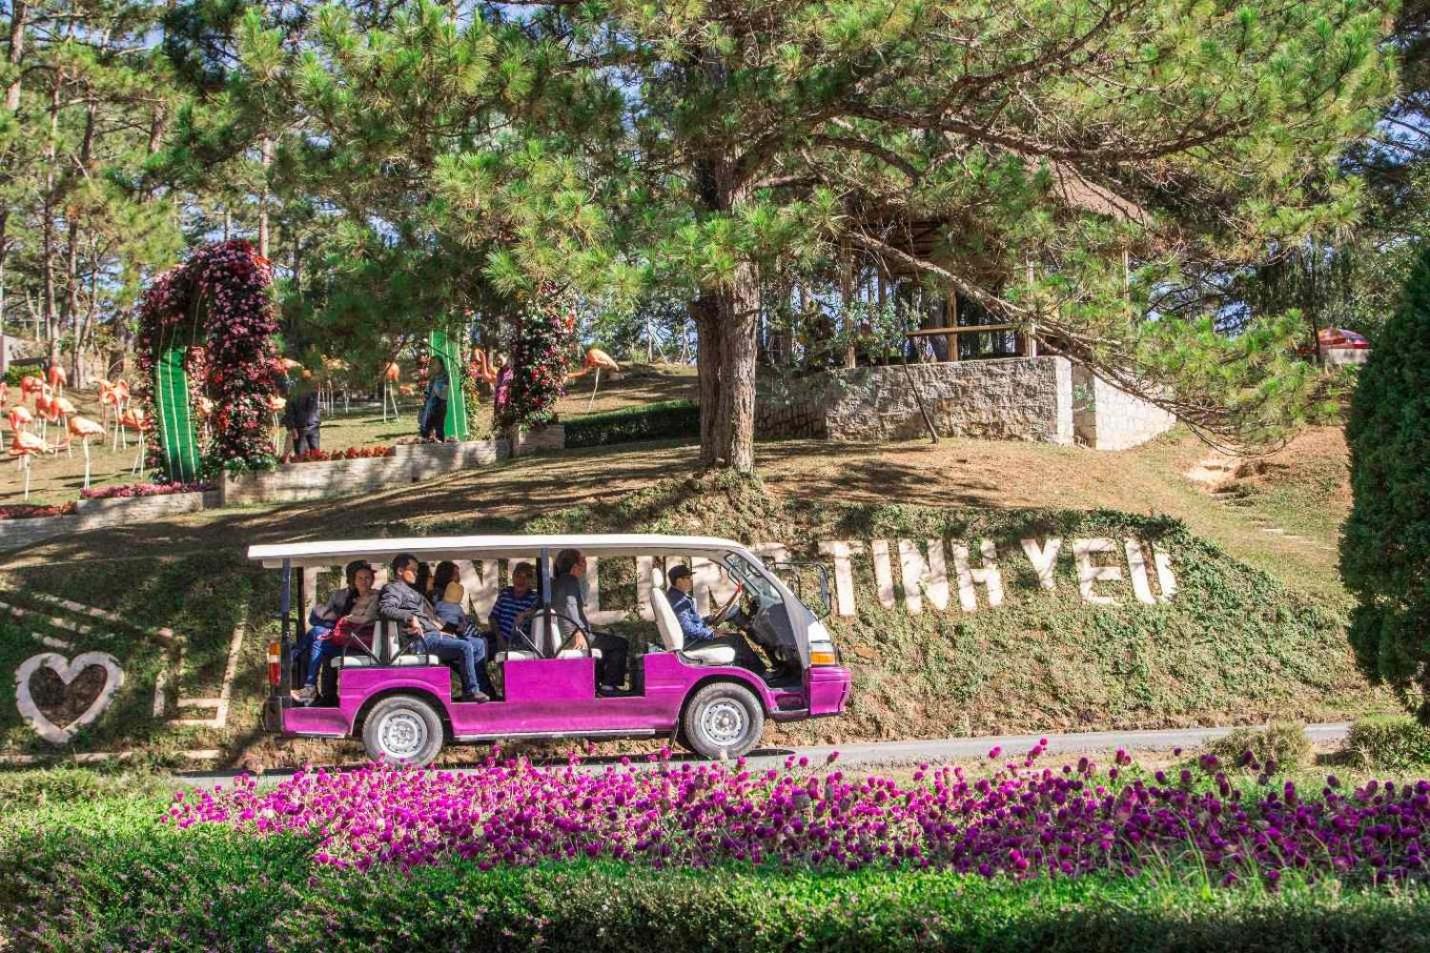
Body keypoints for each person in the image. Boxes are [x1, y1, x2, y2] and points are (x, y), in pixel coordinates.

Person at [380, 553, 489, 702]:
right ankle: (472, 691)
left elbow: (433, 619)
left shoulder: (414, 592)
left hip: (434, 634)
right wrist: (410, 617)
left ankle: (479, 688)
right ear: (400, 571)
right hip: (420, 640)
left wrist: (452, 630)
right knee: (464, 646)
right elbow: (385, 609)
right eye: (413, 570)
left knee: (478, 644)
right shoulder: (393, 588)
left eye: (417, 571)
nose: (416, 574)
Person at [295, 561, 380, 704]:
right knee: (318, 639)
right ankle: (311, 687)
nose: (363, 581)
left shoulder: (375, 596)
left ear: (372, 580)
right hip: (350, 638)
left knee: (317, 636)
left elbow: (368, 618)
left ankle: (299, 662)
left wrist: (345, 619)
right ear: (354, 580)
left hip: (361, 642)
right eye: (360, 578)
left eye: (367, 578)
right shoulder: (353, 597)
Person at [549, 548, 628, 694]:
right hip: (572, 637)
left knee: (606, 641)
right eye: (582, 562)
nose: (585, 566)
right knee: (620, 644)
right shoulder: (570, 581)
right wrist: (578, 632)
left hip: (568, 634)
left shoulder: (556, 583)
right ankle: (608, 686)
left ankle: (597, 683)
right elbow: (570, 607)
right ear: (575, 566)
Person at [664, 564, 768, 675]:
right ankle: (761, 674)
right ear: (679, 581)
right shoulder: (679, 602)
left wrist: (709, 619)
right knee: (737, 640)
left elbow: (692, 622)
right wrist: (711, 634)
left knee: (732, 637)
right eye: (688, 578)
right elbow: (688, 628)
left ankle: (747, 672)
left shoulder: (678, 597)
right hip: (690, 643)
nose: (691, 580)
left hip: (689, 640)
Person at [434, 580, 497, 696]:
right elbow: (463, 623)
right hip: (455, 635)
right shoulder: (458, 609)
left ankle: (475, 687)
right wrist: (464, 622)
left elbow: (435, 616)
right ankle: (478, 686)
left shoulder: (438, 605)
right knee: (479, 643)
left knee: (480, 642)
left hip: (444, 634)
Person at [488, 561, 540, 653]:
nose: (521, 580)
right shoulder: (505, 593)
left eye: (526, 577)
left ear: (530, 580)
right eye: (518, 576)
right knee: (480, 644)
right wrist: (499, 638)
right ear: (513, 576)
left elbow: (537, 613)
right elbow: (493, 617)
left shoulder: (534, 598)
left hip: (520, 644)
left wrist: (524, 614)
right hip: (499, 639)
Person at [283, 367, 321, 454]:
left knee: (316, 455)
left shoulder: (314, 392)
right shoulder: (294, 393)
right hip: (300, 429)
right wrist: (292, 428)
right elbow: (289, 411)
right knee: (301, 456)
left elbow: (313, 408)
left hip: (313, 427)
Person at [419, 356, 450, 442]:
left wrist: (431, 381)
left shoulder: (444, 376)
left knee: (438, 432)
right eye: (431, 364)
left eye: (434, 364)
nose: (432, 366)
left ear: (441, 365)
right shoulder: (433, 377)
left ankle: (441, 448)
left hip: (439, 408)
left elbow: (442, 394)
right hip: (430, 408)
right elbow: (428, 393)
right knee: (426, 432)